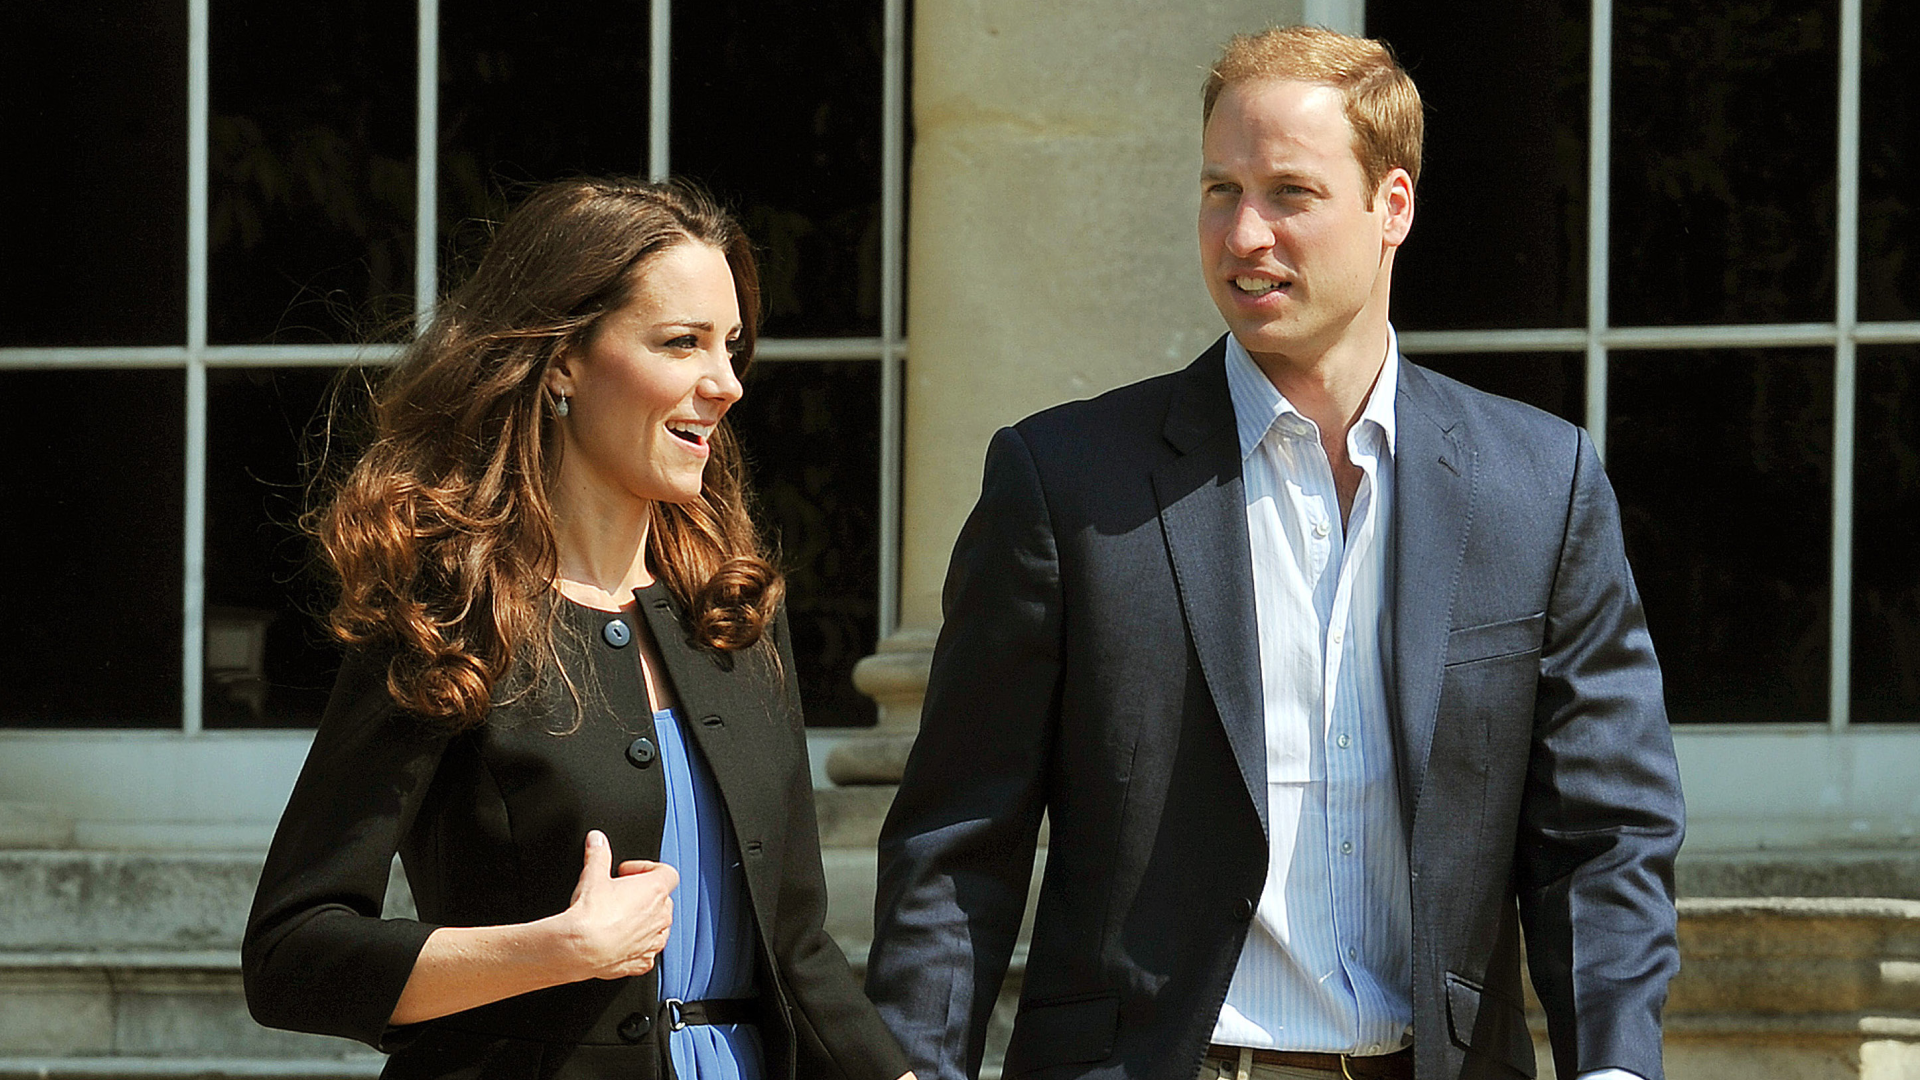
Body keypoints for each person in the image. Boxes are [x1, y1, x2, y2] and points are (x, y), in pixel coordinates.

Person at [865, 26, 1683, 1080]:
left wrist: (1614, 1066)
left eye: (1289, 192)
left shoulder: (1538, 484)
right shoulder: (1065, 483)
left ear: (1394, 205)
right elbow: (956, 845)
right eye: (1220, 189)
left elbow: (1604, 837)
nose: (1244, 233)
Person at [244, 177, 913, 1080]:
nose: (723, 384)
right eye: (681, 343)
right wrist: (555, 950)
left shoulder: (737, 614)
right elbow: (292, 954)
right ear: (561, 360)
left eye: (731, 347)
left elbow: (797, 954)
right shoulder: (448, 612)